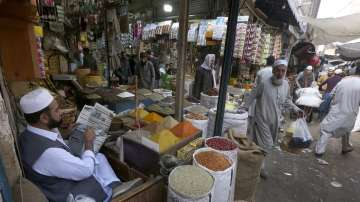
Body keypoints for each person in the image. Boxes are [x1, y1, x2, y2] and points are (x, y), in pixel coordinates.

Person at [19, 88, 141, 202]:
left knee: (98, 157)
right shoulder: (48, 153)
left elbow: (52, 139)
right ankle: (110, 192)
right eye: (56, 110)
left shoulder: (30, 133)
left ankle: (115, 185)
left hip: (56, 178)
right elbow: (85, 171)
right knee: (90, 161)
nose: (61, 112)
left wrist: (66, 134)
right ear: (44, 118)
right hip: (68, 193)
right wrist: (88, 143)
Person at [244, 59, 303, 179]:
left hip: (275, 121)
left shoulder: (286, 84)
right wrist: (244, 108)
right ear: (273, 70)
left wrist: (296, 109)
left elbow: (287, 101)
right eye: (278, 70)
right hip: (262, 119)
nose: (280, 73)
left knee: (261, 145)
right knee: (267, 144)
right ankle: (259, 167)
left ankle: (254, 163)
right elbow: (252, 95)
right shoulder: (264, 83)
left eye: (283, 71)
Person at [315, 68, 360, 157]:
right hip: (351, 113)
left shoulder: (343, 81)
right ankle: (345, 147)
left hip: (337, 110)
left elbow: (331, 94)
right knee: (347, 130)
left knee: (326, 130)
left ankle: (319, 151)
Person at [247, 56, 275, 136]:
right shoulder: (274, 72)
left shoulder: (261, 72)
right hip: (269, 99)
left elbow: (255, 87)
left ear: (267, 62)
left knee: (256, 116)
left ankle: (253, 134)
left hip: (258, 98)